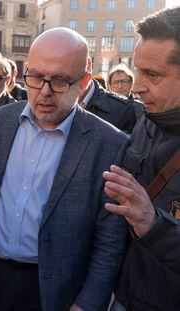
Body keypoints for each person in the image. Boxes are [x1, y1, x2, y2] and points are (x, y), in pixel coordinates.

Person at [0, 27, 130, 311]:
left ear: (84, 82)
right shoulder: (0, 122)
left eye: (60, 80)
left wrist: (87, 304)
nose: (45, 92)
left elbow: (109, 239)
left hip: (55, 292)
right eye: (36, 77)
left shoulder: (110, 144)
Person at [103, 6, 180, 310]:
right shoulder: (146, 121)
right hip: (124, 295)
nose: (136, 87)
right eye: (137, 72)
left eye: (152, 74)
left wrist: (154, 225)